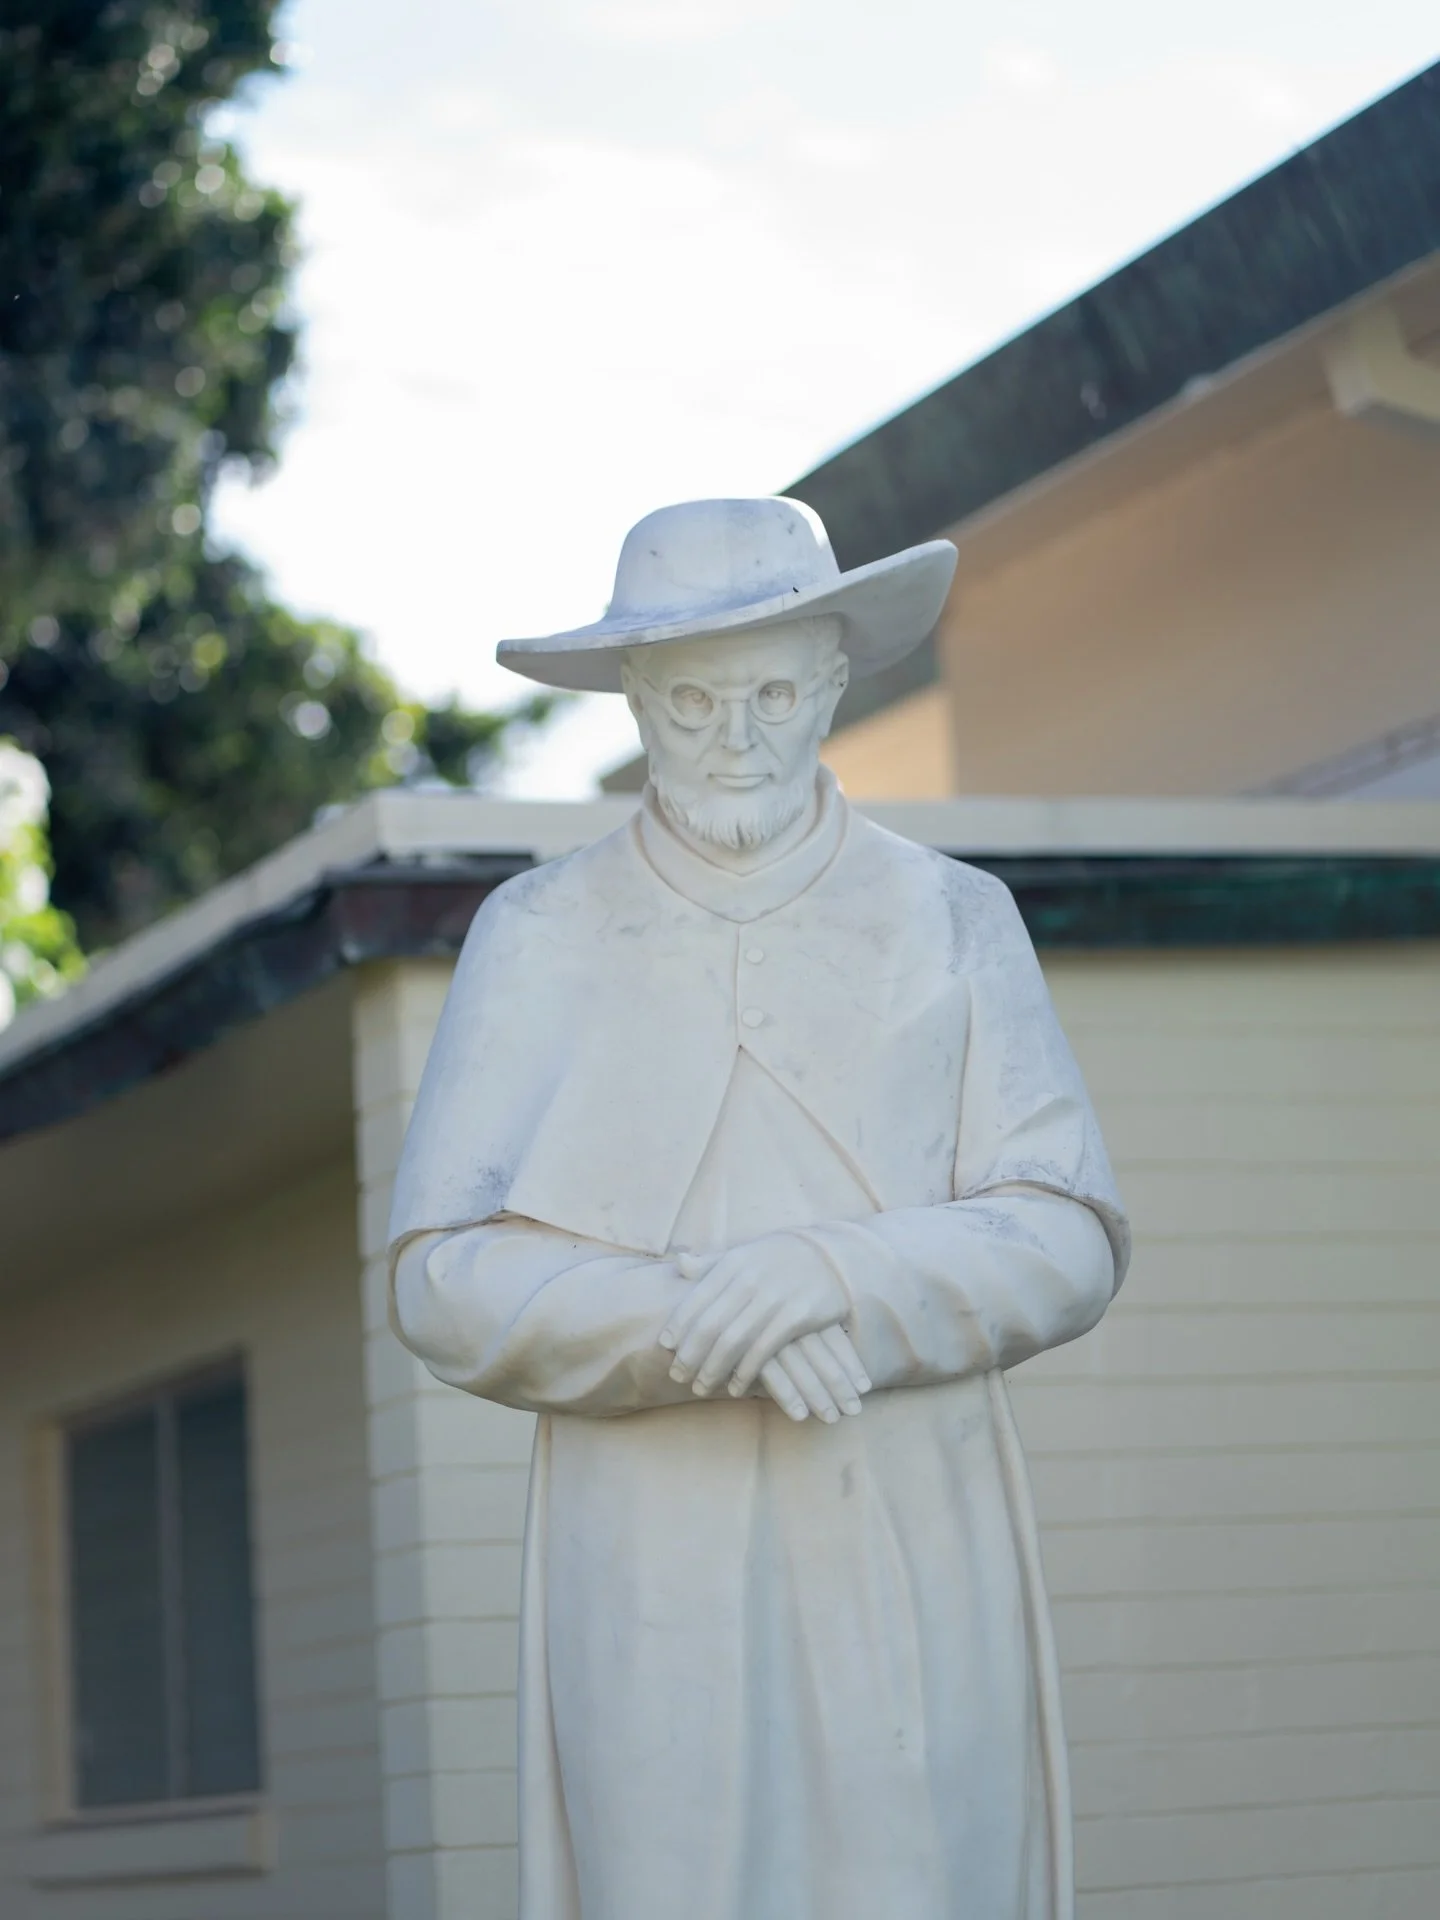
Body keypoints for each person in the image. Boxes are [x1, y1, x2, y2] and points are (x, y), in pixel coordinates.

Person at [388, 496, 1129, 1920]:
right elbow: (440, 1276)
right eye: (694, 699)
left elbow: (1067, 1230)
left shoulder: (953, 918)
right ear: (638, 706)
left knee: (922, 1872)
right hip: (647, 1542)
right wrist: (693, 1317)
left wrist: (833, 1275)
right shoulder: (536, 937)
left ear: (837, 686)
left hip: (906, 1516)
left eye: (775, 690)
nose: (736, 736)